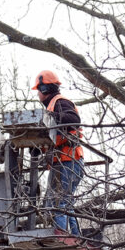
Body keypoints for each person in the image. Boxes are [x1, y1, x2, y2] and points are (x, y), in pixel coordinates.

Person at [32, 70, 84, 236]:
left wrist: (49, 117)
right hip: (65, 161)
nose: (38, 94)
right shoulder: (55, 105)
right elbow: (56, 136)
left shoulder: (60, 103)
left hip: (67, 160)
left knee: (58, 202)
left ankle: (62, 236)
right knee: (62, 202)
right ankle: (75, 236)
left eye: (38, 90)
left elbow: (74, 120)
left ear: (45, 89)